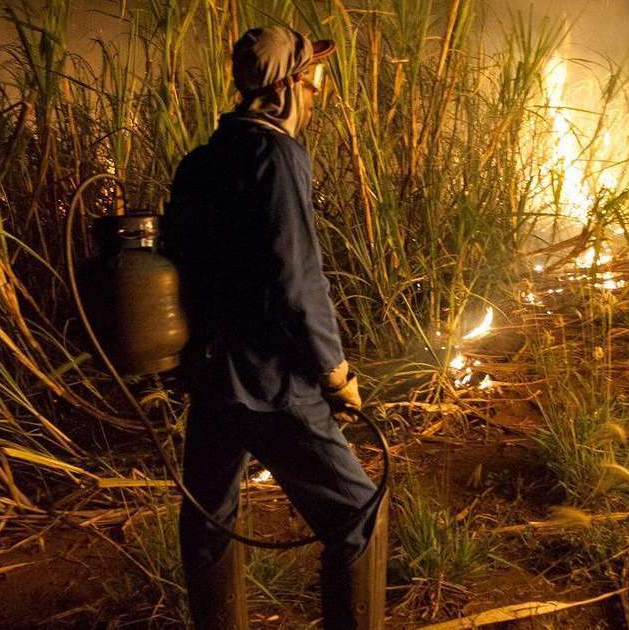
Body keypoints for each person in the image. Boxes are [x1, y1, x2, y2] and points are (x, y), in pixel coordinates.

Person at [163, 26, 386, 630]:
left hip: (208, 378)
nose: (320, 88)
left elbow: (177, 266)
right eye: (314, 75)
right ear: (291, 85)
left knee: (210, 517)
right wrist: (335, 374)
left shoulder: (200, 162)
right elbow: (297, 282)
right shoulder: (278, 157)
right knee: (359, 513)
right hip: (270, 384)